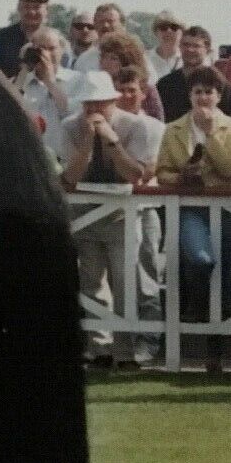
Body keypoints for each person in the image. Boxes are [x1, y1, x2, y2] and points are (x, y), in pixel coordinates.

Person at [60, 70, 162, 366]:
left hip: (123, 214)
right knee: (91, 281)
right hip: (84, 212)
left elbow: (136, 175)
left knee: (126, 282)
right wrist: (88, 143)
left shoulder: (137, 126)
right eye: (88, 104)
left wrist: (111, 140)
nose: (93, 110)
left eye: (100, 103)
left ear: (113, 101)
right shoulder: (70, 127)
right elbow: (70, 178)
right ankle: (100, 349)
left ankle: (126, 352)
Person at [155, 66, 231, 367]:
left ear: (219, 96)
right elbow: (162, 173)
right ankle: (195, 308)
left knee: (226, 276)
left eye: (209, 91)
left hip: (228, 210)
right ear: (189, 96)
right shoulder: (173, 129)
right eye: (198, 91)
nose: (203, 97)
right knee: (201, 260)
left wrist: (210, 136)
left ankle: (215, 351)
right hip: (191, 209)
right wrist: (182, 175)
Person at [111, 67, 169, 365]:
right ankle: (114, 342)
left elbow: (146, 171)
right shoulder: (108, 124)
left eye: (132, 89)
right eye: (121, 89)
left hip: (144, 210)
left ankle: (148, 341)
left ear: (143, 93)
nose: (126, 95)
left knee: (146, 278)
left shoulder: (154, 127)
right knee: (115, 280)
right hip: (109, 210)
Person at [12, 26, 85, 161]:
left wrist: (50, 82)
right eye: (40, 49)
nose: (45, 54)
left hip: (63, 159)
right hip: (29, 159)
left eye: (51, 48)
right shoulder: (21, 82)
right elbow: (8, 111)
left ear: (62, 50)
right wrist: (24, 69)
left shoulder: (78, 80)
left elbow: (72, 115)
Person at [156, 23, 231, 122]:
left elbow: (228, 118)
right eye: (186, 45)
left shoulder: (220, 83)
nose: (190, 49)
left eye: (196, 46)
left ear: (207, 49)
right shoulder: (165, 84)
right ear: (180, 47)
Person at [95, 31, 165, 120]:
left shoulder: (145, 89)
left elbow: (158, 123)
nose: (105, 63)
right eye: (104, 57)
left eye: (113, 58)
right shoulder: (97, 88)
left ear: (127, 61)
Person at [0, 0, 51, 79]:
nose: (31, 12)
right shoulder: (1, 37)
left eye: (37, 7)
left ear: (47, 10)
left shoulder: (56, 41)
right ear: (19, 8)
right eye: (26, 7)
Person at [146, 9, 184, 81]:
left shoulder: (187, 60)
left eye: (174, 27)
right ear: (156, 32)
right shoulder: (145, 59)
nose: (169, 31)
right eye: (163, 27)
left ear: (182, 33)